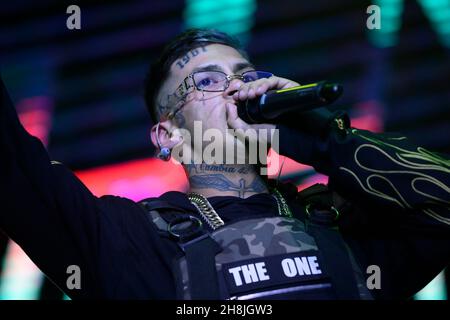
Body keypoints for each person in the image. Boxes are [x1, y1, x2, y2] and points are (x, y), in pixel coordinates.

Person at [0, 28, 449, 300]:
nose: (238, 90)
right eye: (209, 81)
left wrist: (325, 141)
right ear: (167, 135)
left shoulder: (339, 220)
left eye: (246, 76)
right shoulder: (122, 239)